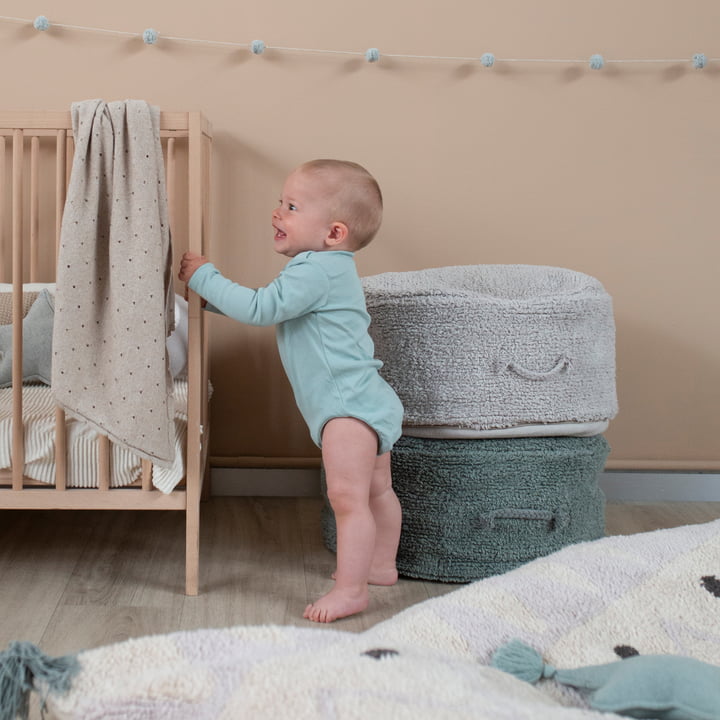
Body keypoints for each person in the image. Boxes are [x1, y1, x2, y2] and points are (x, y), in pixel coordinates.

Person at [178, 159, 404, 623]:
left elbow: (262, 308)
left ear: (334, 232)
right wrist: (214, 302)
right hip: (368, 401)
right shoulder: (330, 270)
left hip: (346, 411)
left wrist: (204, 276)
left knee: (348, 499)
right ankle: (380, 565)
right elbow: (275, 309)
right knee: (378, 490)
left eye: (293, 206)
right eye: (280, 202)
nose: (277, 213)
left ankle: (350, 590)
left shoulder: (315, 269)